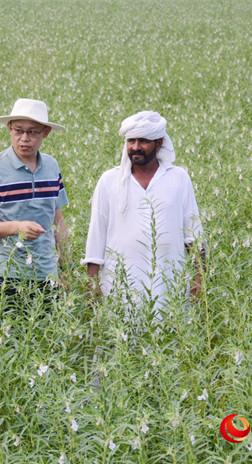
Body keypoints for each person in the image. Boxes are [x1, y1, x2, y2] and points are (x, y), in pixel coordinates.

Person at [83, 111, 204, 328]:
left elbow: (193, 232)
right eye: (131, 140)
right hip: (119, 285)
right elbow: (96, 235)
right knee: (118, 347)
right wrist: (92, 284)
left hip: (170, 283)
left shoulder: (179, 178)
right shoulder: (110, 180)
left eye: (144, 141)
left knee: (169, 342)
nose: (136, 147)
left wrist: (199, 278)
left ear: (159, 143)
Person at [0, 98, 70, 322]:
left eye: (33, 132)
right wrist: (16, 227)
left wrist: (66, 269)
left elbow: (58, 220)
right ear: (9, 129)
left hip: (47, 274)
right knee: (7, 345)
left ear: (46, 133)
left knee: (45, 346)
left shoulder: (52, 167)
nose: (24, 138)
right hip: (8, 276)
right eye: (18, 130)